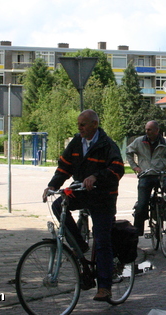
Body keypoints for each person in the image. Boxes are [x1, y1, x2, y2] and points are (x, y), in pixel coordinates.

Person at [42, 109, 124, 302]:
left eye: (83, 124)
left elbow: (117, 169)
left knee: (102, 240)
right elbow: (64, 166)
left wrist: (96, 177)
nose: (80, 128)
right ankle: (80, 246)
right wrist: (52, 185)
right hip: (82, 192)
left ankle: (104, 287)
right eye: (78, 124)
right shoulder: (77, 142)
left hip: (103, 197)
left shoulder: (107, 144)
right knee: (58, 205)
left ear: (94, 124)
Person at [126, 120, 166, 236]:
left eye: (149, 129)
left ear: (157, 130)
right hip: (145, 175)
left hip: (161, 175)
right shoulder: (139, 141)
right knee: (142, 204)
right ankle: (137, 232)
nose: (147, 131)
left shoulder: (165, 143)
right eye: (146, 129)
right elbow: (128, 152)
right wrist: (135, 167)